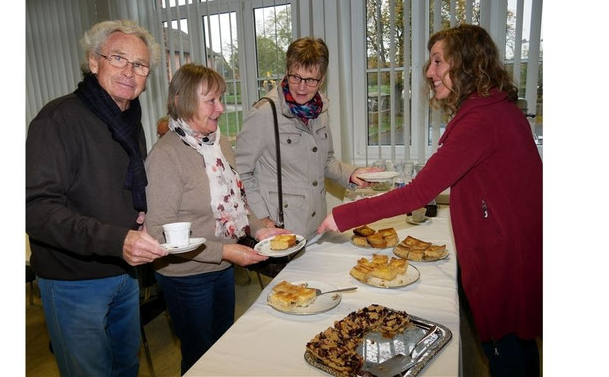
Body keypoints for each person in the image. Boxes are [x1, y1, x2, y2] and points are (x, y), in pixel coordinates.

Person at [319, 24, 542, 377]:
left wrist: (344, 215)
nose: (429, 71)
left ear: (465, 64)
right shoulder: (493, 109)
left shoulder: (481, 119)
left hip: (505, 260)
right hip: (514, 251)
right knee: (517, 346)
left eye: (438, 61)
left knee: (508, 351)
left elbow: (419, 193)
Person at [26, 19, 168, 376]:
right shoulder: (57, 120)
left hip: (124, 274)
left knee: (124, 368)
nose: (129, 72)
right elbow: (36, 211)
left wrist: (139, 214)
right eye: (118, 58)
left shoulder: (129, 119)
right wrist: (116, 238)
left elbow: (115, 188)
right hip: (74, 281)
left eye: (140, 65)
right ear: (93, 61)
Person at [144, 63, 285, 375]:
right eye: (212, 100)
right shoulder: (165, 157)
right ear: (182, 101)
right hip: (185, 276)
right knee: (200, 358)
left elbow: (237, 197)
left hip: (221, 267)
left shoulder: (217, 143)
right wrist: (224, 251)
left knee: (222, 349)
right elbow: (157, 233)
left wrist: (261, 229)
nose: (221, 108)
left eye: (221, 98)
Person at [235, 37, 379, 238]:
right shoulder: (265, 113)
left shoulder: (320, 110)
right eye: (295, 77)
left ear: (322, 79)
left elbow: (326, 161)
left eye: (311, 80)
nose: (302, 87)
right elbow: (240, 173)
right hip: (279, 230)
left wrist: (352, 173)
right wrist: (261, 218)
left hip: (315, 227)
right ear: (287, 71)